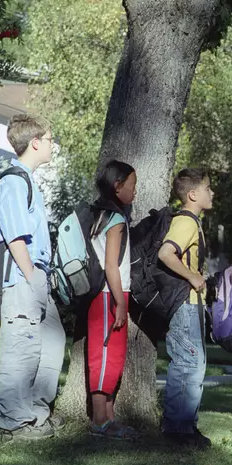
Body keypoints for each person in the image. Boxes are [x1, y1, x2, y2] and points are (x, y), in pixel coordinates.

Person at [0, 113, 65, 441]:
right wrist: (32, 276)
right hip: (22, 278)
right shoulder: (13, 181)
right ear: (35, 143)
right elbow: (14, 237)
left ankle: (35, 412)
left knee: (51, 342)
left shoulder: (28, 180)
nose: (52, 145)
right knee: (20, 347)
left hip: (36, 277)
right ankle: (14, 422)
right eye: (49, 139)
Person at [158, 168, 214, 448]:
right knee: (187, 364)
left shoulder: (193, 222)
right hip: (184, 304)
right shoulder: (186, 222)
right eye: (207, 189)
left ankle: (186, 426)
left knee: (194, 365)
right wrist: (192, 276)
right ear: (193, 194)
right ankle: (177, 430)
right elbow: (166, 253)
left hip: (193, 305)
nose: (212, 193)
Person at [86, 160, 138, 439]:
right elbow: (111, 266)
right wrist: (120, 303)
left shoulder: (100, 214)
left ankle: (108, 417)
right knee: (105, 357)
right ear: (118, 187)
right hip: (110, 295)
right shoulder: (115, 220)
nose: (135, 192)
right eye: (132, 186)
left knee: (111, 357)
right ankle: (99, 422)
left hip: (108, 295)